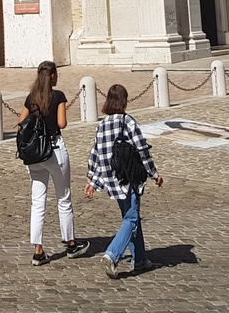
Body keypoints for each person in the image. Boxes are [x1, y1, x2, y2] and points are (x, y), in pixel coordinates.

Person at [85, 83, 162, 278]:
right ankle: (112, 255)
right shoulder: (127, 122)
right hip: (128, 178)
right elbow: (142, 149)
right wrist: (154, 174)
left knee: (131, 216)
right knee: (132, 218)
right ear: (124, 101)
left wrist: (92, 181)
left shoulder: (101, 125)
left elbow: (95, 153)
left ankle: (140, 259)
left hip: (112, 179)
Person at [18, 61, 90, 265]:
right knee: (63, 197)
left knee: (37, 200)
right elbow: (62, 124)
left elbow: (20, 124)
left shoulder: (31, 98)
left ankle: (38, 250)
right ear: (52, 77)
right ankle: (70, 242)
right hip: (54, 149)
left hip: (35, 155)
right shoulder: (58, 96)